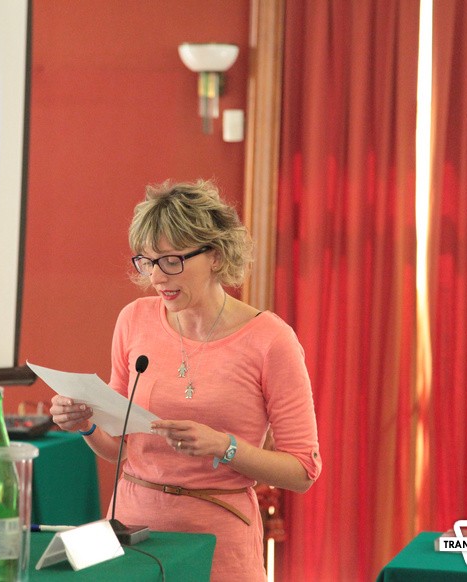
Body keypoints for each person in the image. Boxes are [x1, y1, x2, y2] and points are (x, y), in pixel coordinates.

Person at [50, 179, 322, 582]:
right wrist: (85, 423)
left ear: (215, 255)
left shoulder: (271, 340)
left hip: (219, 545)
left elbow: (302, 471)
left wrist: (224, 447)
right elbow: (120, 449)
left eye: (172, 261)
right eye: (147, 262)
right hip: (131, 536)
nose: (157, 277)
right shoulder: (134, 320)